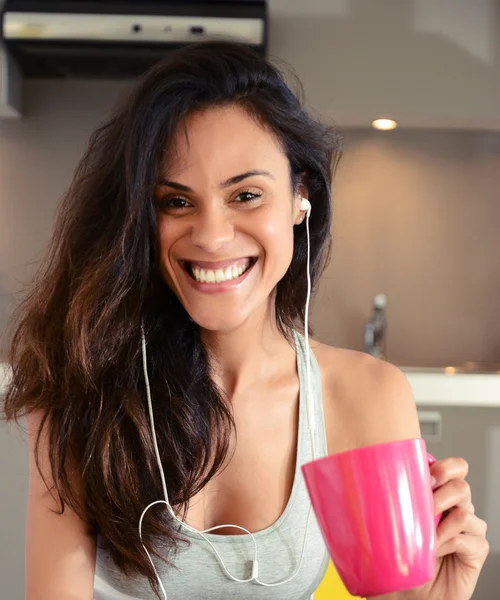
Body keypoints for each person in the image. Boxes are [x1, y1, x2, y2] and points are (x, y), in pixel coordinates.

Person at [1, 41, 488, 600]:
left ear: (300, 198)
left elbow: (394, 593)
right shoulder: (84, 387)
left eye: (247, 195)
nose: (210, 236)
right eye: (176, 202)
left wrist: (434, 599)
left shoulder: (367, 396)